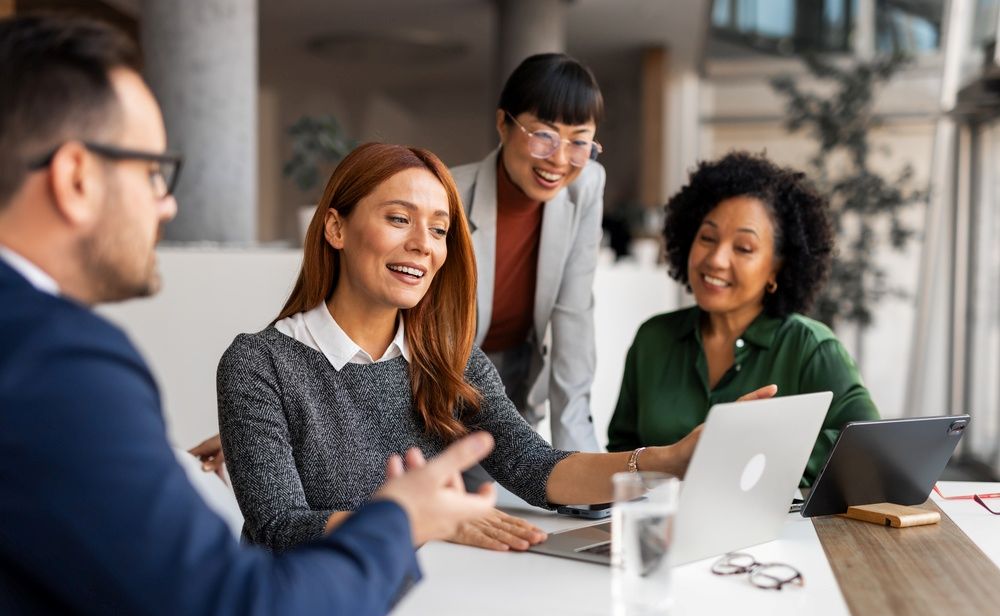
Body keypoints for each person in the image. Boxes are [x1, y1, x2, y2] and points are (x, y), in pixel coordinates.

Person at [0, 15, 498, 616]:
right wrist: (399, 522)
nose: (167, 204)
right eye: (154, 171)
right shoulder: (60, 363)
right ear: (75, 178)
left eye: (438, 229)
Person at [216, 141, 777, 554]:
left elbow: (533, 467)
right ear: (335, 229)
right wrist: (421, 519)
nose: (422, 244)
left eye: (439, 229)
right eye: (397, 219)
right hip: (305, 609)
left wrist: (668, 460)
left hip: (432, 596)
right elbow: (278, 526)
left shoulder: (450, 359)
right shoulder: (260, 363)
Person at [606, 152, 880, 486]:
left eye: (744, 248)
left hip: (773, 533)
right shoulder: (654, 338)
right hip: (661, 530)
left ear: (777, 267)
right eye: (707, 238)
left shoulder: (810, 347)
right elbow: (621, 452)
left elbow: (867, 447)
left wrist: (750, 459)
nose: (717, 259)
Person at [451, 53, 606, 458]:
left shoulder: (586, 184)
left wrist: (582, 465)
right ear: (503, 123)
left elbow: (573, 314)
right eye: (544, 134)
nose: (559, 159)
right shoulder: (446, 193)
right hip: (442, 377)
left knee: (517, 498)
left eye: (579, 141)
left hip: (518, 370)